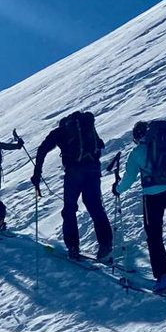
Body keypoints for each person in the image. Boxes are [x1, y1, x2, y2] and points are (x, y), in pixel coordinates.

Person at [114, 120, 166, 294]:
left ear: (137, 137)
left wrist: (117, 189)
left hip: (153, 194)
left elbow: (129, 179)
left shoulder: (138, 152)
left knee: (154, 235)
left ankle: (163, 278)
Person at [32, 111, 114, 262]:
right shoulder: (89, 128)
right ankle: (106, 245)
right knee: (95, 207)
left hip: (74, 173)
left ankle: (73, 247)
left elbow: (42, 149)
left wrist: (37, 174)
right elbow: (100, 144)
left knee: (69, 209)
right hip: (93, 170)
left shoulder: (60, 131)